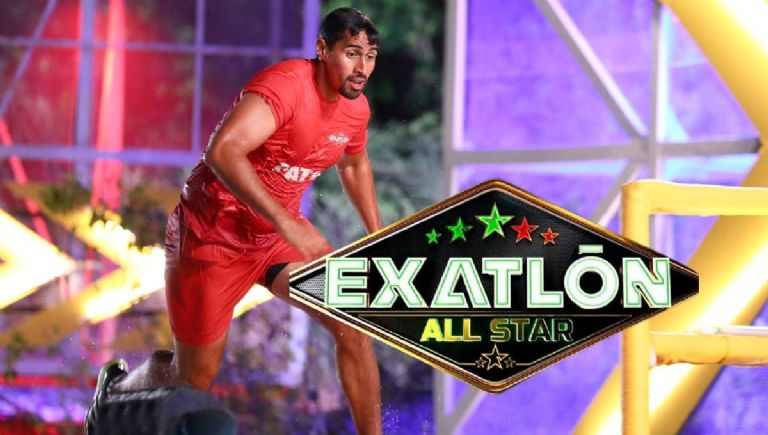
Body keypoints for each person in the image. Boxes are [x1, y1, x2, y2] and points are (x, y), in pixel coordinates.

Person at [86, 7, 383, 434]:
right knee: (191, 382)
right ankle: (115, 393)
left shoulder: (355, 111)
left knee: (350, 319)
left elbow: (353, 164)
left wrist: (378, 233)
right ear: (323, 49)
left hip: (273, 239)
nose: (362, 68)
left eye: (370, 56)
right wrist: (286, 222)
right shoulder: (284, 87)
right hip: (212, 235)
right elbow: (223, 151)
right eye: (352, 53)